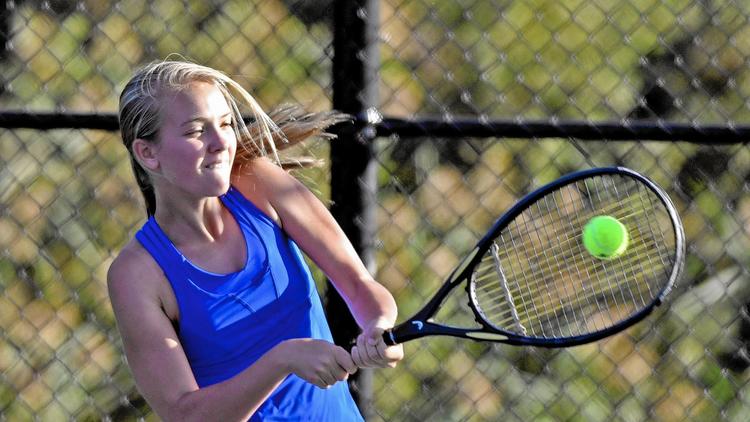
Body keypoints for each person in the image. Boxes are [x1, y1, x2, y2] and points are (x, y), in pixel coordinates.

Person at [107, 59, 404, 421]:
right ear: (147, 153)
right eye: (196, 131)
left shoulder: (259, 184)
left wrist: (378, 324)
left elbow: (359, 285)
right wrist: (283, 359)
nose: (220, 143)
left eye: (226, 124)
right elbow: (185, 415)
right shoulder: (136, 274)